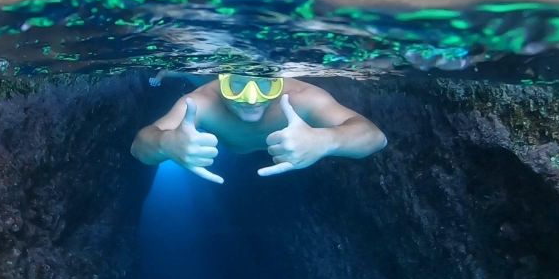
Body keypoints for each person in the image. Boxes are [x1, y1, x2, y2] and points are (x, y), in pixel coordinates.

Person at [131, 74, 387, 184]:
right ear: (222, 81)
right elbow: (139, 146)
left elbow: (375, 137)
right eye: (237, 85)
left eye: (266, 85)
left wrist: (326, 140)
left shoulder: (303, 97)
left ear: (279, 81)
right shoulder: (201, 102)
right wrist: (166, 143)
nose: (251, 98)